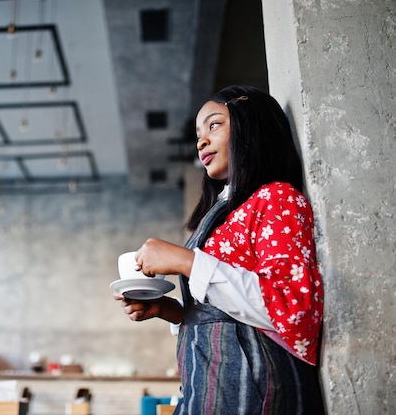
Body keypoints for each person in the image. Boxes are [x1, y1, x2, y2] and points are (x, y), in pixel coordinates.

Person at [114, 85, 324, 414]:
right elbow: (223, 313)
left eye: (214, 125)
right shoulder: (223, 213)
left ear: (251, 126)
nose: (201, 141)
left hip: (252, 383)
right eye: (199, 132)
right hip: (212, 382)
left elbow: (293, 310)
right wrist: (167, 309)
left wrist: (187, 261)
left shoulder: (277, 199)